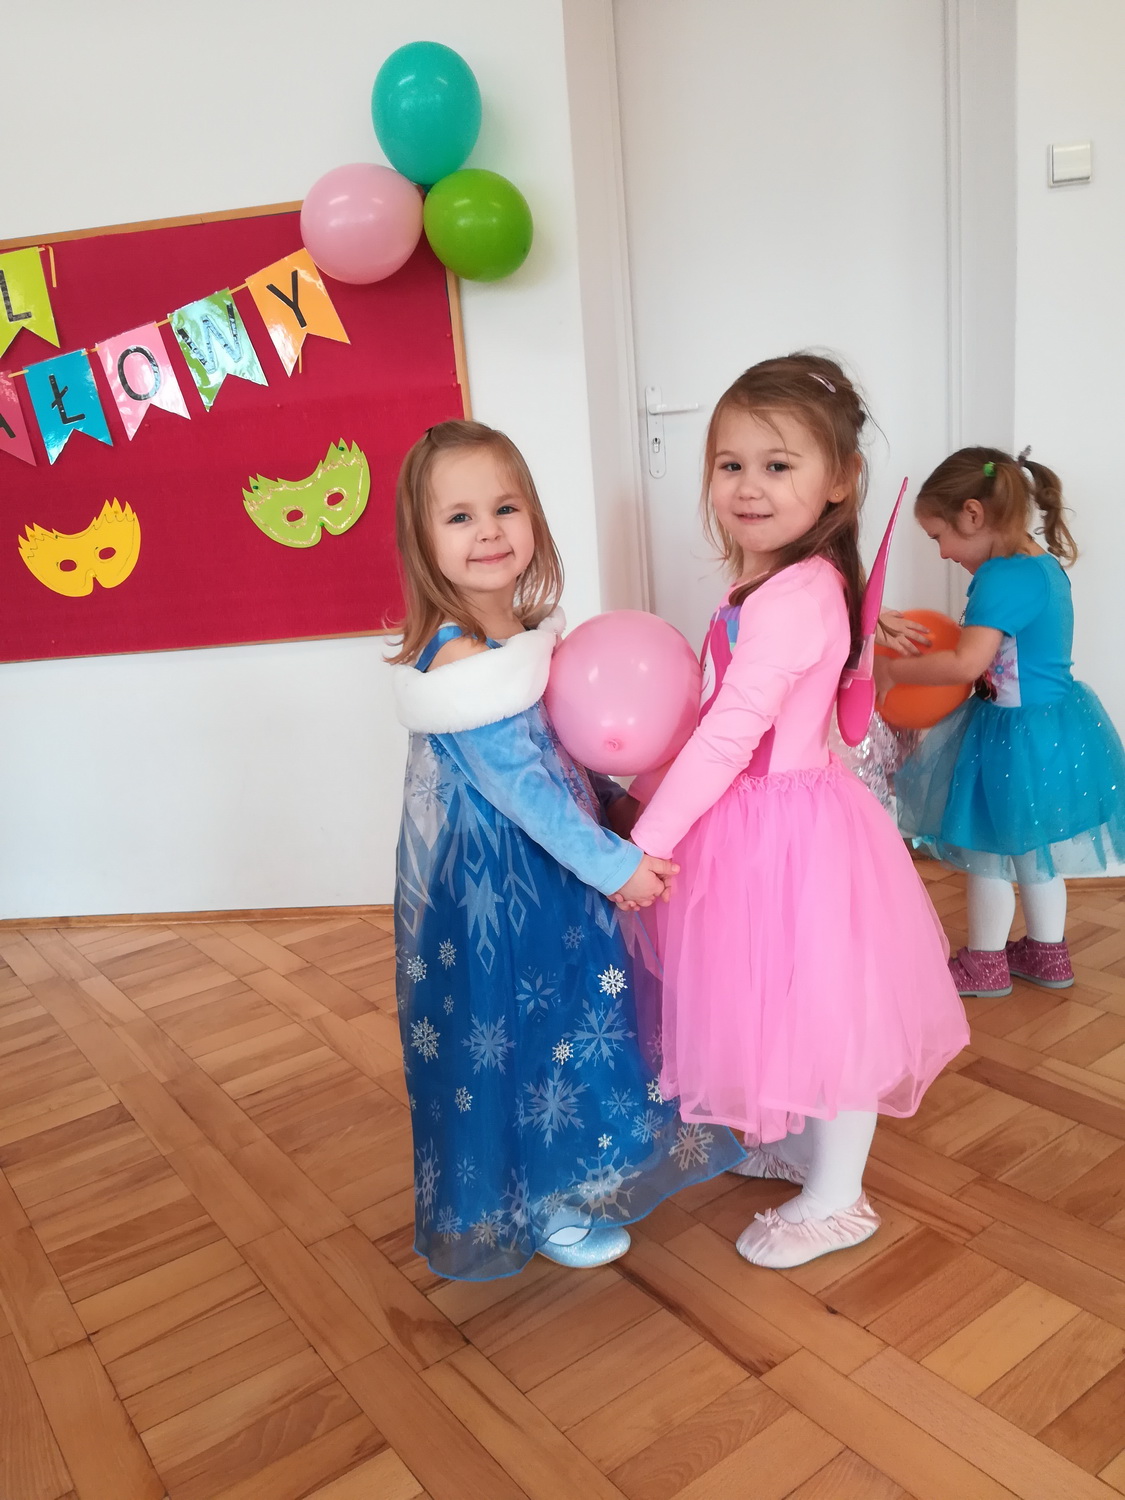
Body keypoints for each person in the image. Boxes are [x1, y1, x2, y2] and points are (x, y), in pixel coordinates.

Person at [627, 354, 969, 1269]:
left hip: (784, 831)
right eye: (730, 464)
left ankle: (839, 1198)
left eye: (777, 465)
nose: (748, 486)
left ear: (838, 480)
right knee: (778, 993)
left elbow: (728, 734)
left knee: (826, 1007)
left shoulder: (795, 594)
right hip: (762, 824)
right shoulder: (792, 581)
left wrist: (645, 841)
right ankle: (802, 1145)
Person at [388, 419, 743, 1281]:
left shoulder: (522, 635)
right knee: (523, 1031)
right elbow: (525, 791)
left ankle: (574, 1171)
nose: (488, 532)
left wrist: (617, 802)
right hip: (500, 893)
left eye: (504, 508)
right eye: (459, 517)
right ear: (423, 541)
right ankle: (542, 1197)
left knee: (566, 1022)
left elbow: (563, 755)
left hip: (545, 880)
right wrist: (614, 863)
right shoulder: (461, 658)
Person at [881, 447, 1125, 998]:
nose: (942, 553)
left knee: (988, 853)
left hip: (1013, 736)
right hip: (1052, 729)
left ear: (973, 515)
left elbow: (965, 664)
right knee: (1033, 850)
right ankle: (1047, 952)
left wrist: (894, 673)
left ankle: (985, 962)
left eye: (939, 536)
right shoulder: (1042, 567)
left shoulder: (1001, 578)